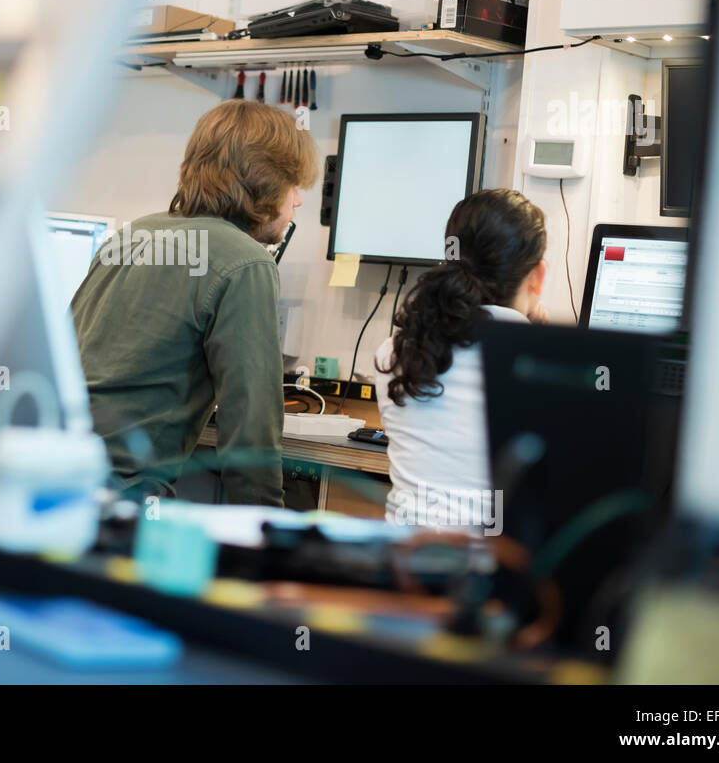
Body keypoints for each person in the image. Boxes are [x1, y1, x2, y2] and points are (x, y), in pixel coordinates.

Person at [70, 99, 319, 506]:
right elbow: (251, 431)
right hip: (122, 496)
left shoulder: (133, 235)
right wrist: (263, 541)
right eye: (293, 184)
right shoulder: (245, 262)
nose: (298, 200)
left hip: (49, 468)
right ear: (265, 182)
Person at [372, 188, 548, 526]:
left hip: (402, 559)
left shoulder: (395, 350)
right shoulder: (539, 362)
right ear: (537, 276)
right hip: (485, 566)